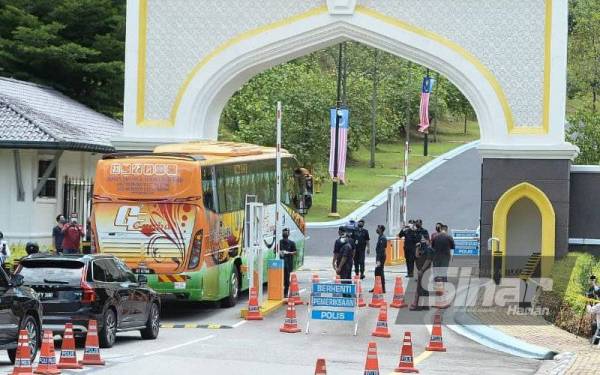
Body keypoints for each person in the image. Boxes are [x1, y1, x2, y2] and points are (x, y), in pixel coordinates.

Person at [410, 240, 435, 311]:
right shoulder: (423, 249)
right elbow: (417, 255)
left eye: (424, 240)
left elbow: (428, 260)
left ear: (428, 241)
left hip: (425, 271)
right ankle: (425, 306)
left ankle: (419, 306)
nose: (422, 242)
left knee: (420, 289)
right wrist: (417, 247)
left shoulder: (429, 249)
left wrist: (422, 270)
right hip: (422, 271)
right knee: (424, 289)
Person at [279, 228, 297, 297]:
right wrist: (280, 252)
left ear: (289, 234)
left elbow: (295, 252)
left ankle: (285, 293)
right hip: (280, 264)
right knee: (280, 278)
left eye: (286, 232)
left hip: (288, 264)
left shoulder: (292, 243)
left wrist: (289, 252)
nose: (285, 233)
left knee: (286, 279)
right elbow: (275, 251)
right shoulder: (279, 242)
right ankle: (280, 292)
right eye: (284, 232)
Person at [370, 225, 387, 293]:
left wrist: (378, 261)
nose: (376, 229)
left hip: (380, 258)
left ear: (381, 229)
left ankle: (382, 288)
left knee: (379, 271)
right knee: (377, 272)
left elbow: (382, 249)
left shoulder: (382, 238)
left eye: (378, 228)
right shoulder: (380, 237)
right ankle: (377, 287)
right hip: (379, 257)